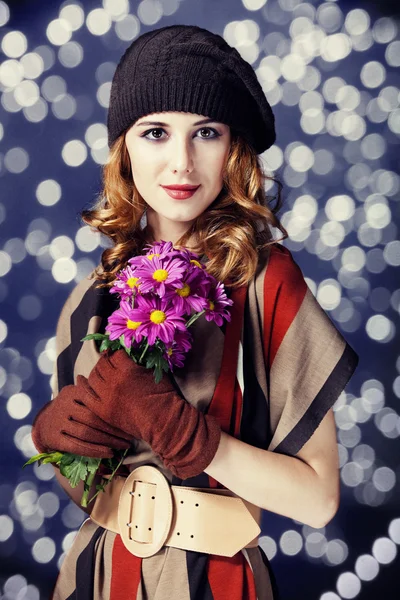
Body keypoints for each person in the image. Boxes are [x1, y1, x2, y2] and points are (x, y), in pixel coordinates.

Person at [30, 25, 359, 600]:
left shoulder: (266, 282)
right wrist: (63, 453)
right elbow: (90, 491)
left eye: (204, 132)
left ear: (232, 148)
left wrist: (192, 438)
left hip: (217, 584)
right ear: (124, 148)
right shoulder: (93, 295)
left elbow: (318, 500)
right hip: (95, 577)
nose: (181, 162)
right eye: (155, 132)